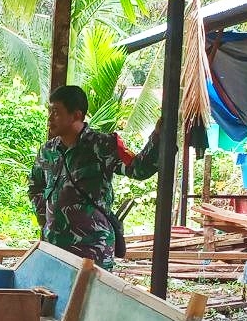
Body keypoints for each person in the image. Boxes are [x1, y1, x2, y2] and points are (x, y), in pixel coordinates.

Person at [29, 85, 160, 270]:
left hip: (93, 249)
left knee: (92, 298)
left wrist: (158, 138)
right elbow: (35, 186)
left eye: (56, 112)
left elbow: (138, 170)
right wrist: (46, 220)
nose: (50, 118)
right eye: (50, 112)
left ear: (76, 115)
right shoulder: (47, 150)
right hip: (55, 247)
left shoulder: (102, 145)